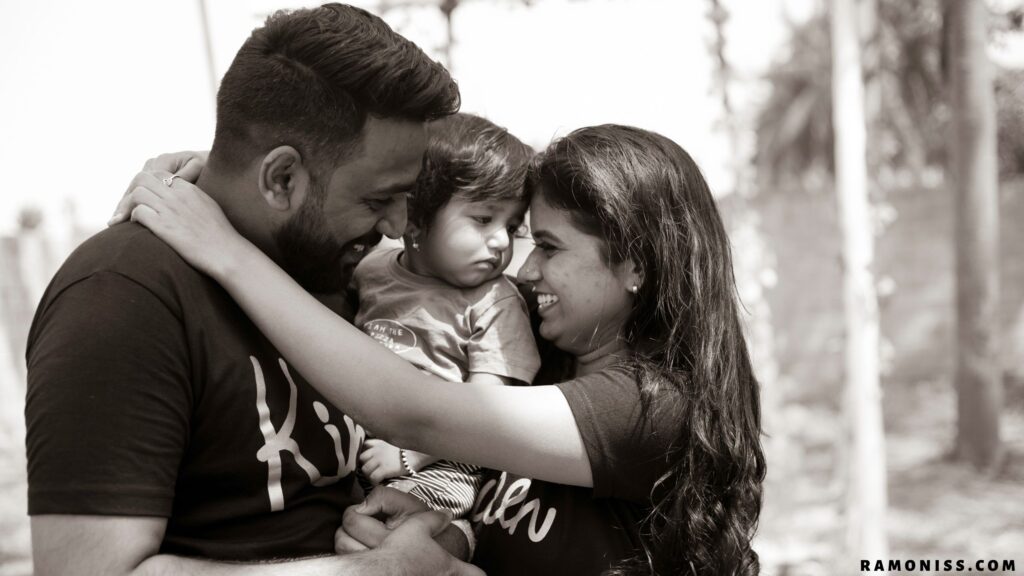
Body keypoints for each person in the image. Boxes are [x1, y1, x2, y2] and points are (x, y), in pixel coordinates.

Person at [119, 124, 767, 575]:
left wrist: (223, 249)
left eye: (549, 246)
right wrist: (223, 177)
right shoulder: (553, 346)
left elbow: (418, 412)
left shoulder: (649, 409)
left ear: (633, 264)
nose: (524, 268)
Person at [23, 4, 481, 575]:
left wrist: (440, 536)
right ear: (281, 178)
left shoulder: (333, 267)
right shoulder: (122, 296)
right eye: (375, 200)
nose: (396, 226)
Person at [353, 112, 540, 517]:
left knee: (395, 531)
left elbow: (484, 410)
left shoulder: (495, 302)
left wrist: (410, 455)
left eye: (512, 226)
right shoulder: (370, 271)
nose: (500, 241)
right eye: (483, 219)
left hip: (441, 461)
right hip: (363, 443)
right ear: (415, 221)